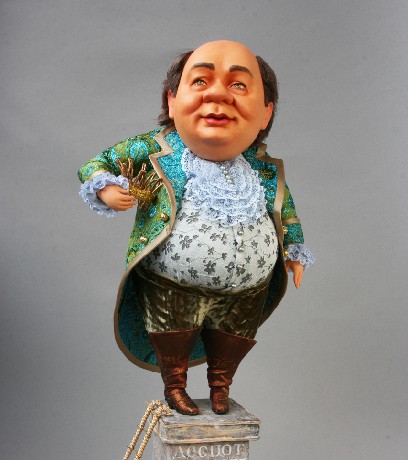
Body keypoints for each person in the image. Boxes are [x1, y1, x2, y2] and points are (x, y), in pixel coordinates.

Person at [78, 40, 314, 417]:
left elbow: (284, 208)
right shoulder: (155, 149)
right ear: (172, 101)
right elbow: (96, 164)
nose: (218, 94)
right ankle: (175, 386)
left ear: (265, 112)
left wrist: (294, 249)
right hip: (171, 285)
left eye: (239, 85)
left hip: (247, 290)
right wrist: (106, 188)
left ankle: (221, 386)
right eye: (201, 80)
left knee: (233, 338)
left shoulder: (262, 168)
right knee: (174, 335)